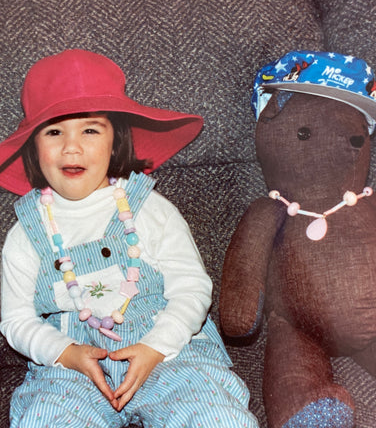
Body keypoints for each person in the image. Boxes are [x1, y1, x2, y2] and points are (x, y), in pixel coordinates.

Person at [0, 49, 259, 428]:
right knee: (46, 418)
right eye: (54, 132)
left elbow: (192, 288)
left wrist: (156, 346)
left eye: (90, 129)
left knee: (216, 415)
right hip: (74, 369)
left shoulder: (150, 210)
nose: (72, 147)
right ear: (33, 148)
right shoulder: (26, 232)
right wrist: (64, 352)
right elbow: (15, 319)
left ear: (115, 140)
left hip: (170, 354)